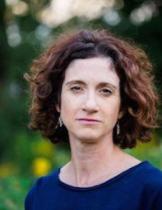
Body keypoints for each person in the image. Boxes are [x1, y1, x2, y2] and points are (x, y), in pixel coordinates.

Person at [24, 29, 162, 210]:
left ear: (121, 107)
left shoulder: (153, 190)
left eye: (105, 91)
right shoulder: (39, 195)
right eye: (76, 88)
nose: (90, 105)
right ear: (57, 101)